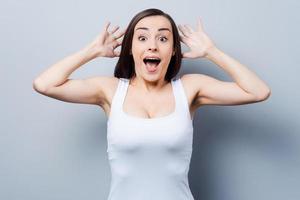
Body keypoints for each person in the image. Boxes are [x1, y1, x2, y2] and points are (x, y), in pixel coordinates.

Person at [33, 8, 271, 200]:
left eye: (163, 38)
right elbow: (44, 84)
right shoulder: (111, 90)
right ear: (131, 49)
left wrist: (211, 52)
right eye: (143, 37)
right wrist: (92, 50)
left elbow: (259, 91)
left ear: (173, 50)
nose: (153, 46)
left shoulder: (189, 89)